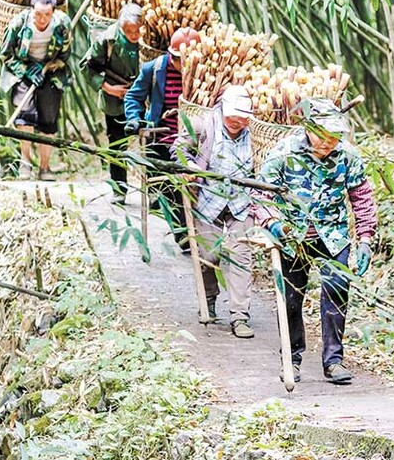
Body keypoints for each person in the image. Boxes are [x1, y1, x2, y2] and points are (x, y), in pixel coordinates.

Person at [258, 98, 377, 385]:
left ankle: (334, 361)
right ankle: (292, 357)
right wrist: (274, 224)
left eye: (335, 137)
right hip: (292, 236)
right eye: (324, 136)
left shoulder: (348, 156)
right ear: (308, 129)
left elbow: (362, 199)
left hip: (334, 236)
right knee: (290, 299)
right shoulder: (283, 153)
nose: (329, 143)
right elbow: (261, 195)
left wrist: (365, 239)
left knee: (337, 291)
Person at [173, 85, 262, 337]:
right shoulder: (203, 126)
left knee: (240, 256)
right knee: (208, 256)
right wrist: (188, 167)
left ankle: (239, 316)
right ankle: (209, 298)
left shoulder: (256, 134)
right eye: (232, 117)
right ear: (222, 110)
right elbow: (179, 148)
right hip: (208, 200)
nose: (237, 122)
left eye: (243, 118)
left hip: (240, 203)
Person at [123, 29, 190, 248]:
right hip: (160, 138)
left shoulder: (201, 72)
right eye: (180, 60)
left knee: (189, 186)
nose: (184, 64)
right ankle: (182, 234)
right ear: (173, 55)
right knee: (168, 188)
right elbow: (133, 96)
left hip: (190, 142)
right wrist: (134, 118)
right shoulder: (154, 69)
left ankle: (193, 232)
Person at [0, 0, 72, 180]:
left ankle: (45, 168)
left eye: (47, 14)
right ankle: (25, 163)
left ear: (53, 12)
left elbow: (65, 55)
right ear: (31, 10)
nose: (42, 19)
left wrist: (51, 65)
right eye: (38, 14)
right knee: (24, 115)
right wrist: (26, 70)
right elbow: (6, 55)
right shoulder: (19, 24)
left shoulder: (63, 24)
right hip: (22, 70)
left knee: (48, 119)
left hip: (49, 71)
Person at [81, 3, 142, 204]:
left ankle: (156, 193)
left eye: (137, 30)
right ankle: (119, 190)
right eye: (129, 31)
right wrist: (108, 88)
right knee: (117, 145)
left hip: (145, 99)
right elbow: (86, 67)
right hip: (115, 100)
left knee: (151, 143)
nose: (134, 35)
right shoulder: (106, 40)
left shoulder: (149, 39)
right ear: (121, 27)